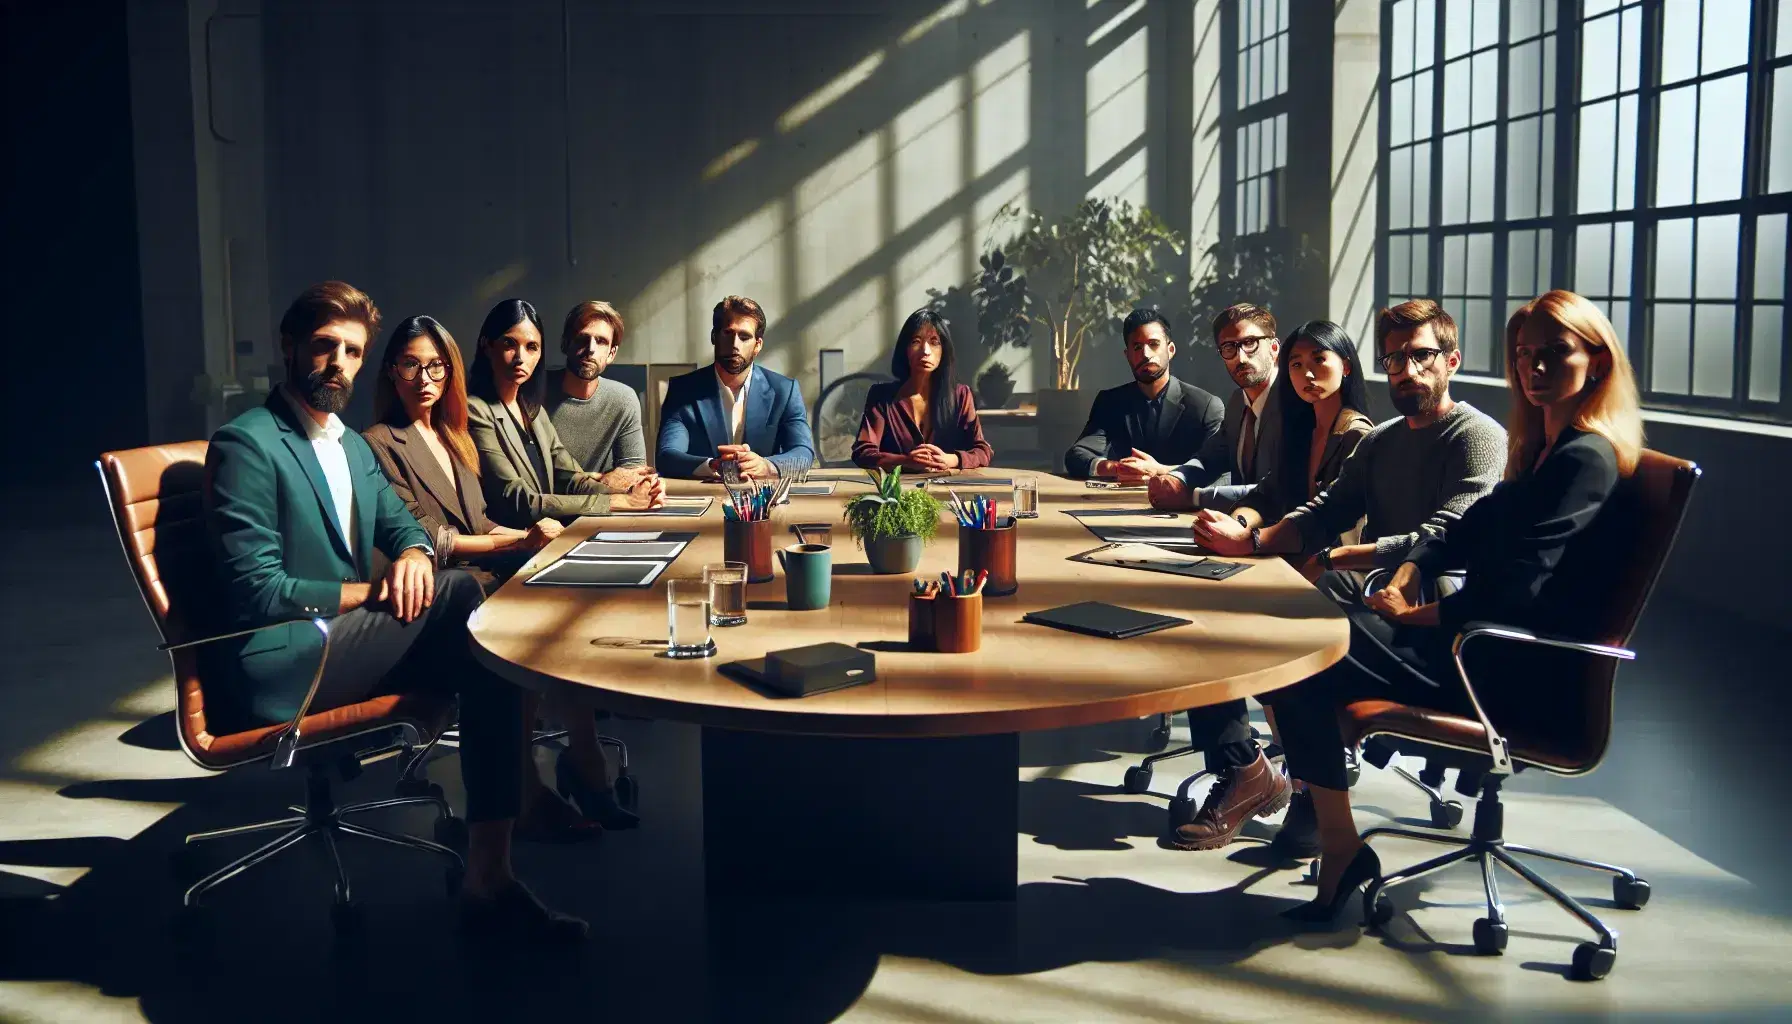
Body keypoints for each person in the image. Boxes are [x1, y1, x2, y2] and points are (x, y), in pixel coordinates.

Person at [202, 281, 585, 942]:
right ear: (289, 348)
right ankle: (491, 873)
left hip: (346, 646)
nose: (337, 364)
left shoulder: (350, 446)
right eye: (325, 346)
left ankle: (491, 874)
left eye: (351, 351)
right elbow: (257, 592)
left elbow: (405, 529)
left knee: (491, 641)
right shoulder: (248, 444)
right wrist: (378, 592)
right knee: (465, 593)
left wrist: (410, 555)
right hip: (283, 661)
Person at [1259, 289, 1643, 923]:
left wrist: (1417, 615)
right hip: (1476, 645)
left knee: (1301, 647)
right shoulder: (1543, 450)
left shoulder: (1583, 459)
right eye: (1524, 354)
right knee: (1306, 637)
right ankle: (1335, 839)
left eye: (1554, 352)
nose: (1534, 367)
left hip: (1505, 668)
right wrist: (1412, 571)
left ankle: (1336, 844)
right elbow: (1461, 530)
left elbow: (1517, 593)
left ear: (1597, 362)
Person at [1176, 299, 1507, 857]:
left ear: (1452, 360)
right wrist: (1251, 540)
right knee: (1230, 609)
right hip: (1375, 589)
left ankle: (1303, 796)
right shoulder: (1385, 440)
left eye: (1421, 356)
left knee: (1291, 635)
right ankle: (1287, 787)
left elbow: (1441, 535)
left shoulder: (1478, 435)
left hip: (1438, 609)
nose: (1406, 370)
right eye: (1395, 359)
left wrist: (1330, 560)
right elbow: (1322, 510)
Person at [364, 314, 639, 835]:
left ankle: (580, 762)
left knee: (575, 581)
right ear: (390, 372)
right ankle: (546, 785)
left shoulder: (452, 435)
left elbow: (482, 519)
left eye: (436, 368)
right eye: (410, 365)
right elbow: (427, 538)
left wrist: (528, 534)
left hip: (481, 570)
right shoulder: (378, 441)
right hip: (441, 589)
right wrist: (518, 538)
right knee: (546, 604)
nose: (424, 379)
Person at [465, 298, 664, 526]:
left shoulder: (531, 409)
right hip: (514, 543)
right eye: (509, 344)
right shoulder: (475, 410)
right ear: (487, 346)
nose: (521, 358)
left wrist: (635, 493)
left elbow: (571, 479)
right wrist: (617, 502)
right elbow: (518, 501)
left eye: (532, 347)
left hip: (555, 531)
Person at [1192, 320, 1376, 538]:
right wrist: (1238, 523)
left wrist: (1253, 541)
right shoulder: (1301, 431)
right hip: (1287, 553)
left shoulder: (1356, 435)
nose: (1307, 374)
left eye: (1318, 360)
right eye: (1297, 364)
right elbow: (1266, 495)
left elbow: (1330, 522)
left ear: (1345, 366)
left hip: (1331, 565)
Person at [656, 295, 816, 480]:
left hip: (762, 500)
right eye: (728, 333)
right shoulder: (683, 390)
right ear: (714, 337)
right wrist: (712, 465)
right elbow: (667, 455)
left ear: (758, 345)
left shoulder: (784, 391)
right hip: (703, 498)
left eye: (745, 337)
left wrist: (767, 466)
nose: (735, 345)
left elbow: (803, 453)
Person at [1146, 302, 1283, 507]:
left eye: (1250, 343)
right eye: (1229, 347)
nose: (1241, 357)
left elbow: (1279, 488)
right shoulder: (1238, 402)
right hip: (1233, 526)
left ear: (1273, 348)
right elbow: (1208, 459)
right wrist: (1176, 480)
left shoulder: (1293, 403)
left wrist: (1195, 498)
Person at [1063, 308, 1223, 480]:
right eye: (1137, 347)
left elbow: (1217, 466)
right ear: (1127, 355)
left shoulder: (1204, 406)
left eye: (1153, 344)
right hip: (1119, 502)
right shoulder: (1111, 401)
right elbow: (1076, 455)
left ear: (1170, 350)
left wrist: (1161, 470)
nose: (1145, 354)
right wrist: (1115, 467)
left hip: (1183, 503)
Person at [853, 308, 994, 471]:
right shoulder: (882, 396)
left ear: (944, 350)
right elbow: (863, 452)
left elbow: (983, 451)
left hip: (949, 490)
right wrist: (906, 461)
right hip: (898, 492)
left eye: (934, 342)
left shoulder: (961, 395)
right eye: (916, 341)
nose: (925, 351)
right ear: (904, 349)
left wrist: (953, 459)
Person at [545, 300, 651, 482]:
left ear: (611, 353)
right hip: (546, 507)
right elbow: (531, 480)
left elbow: (633, 476)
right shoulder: (534, 392)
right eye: (582, 339)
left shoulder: (623, 399)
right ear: (565, 344)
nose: (591, 349)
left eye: (601, 341)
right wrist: (603, 479)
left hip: (602, 507)